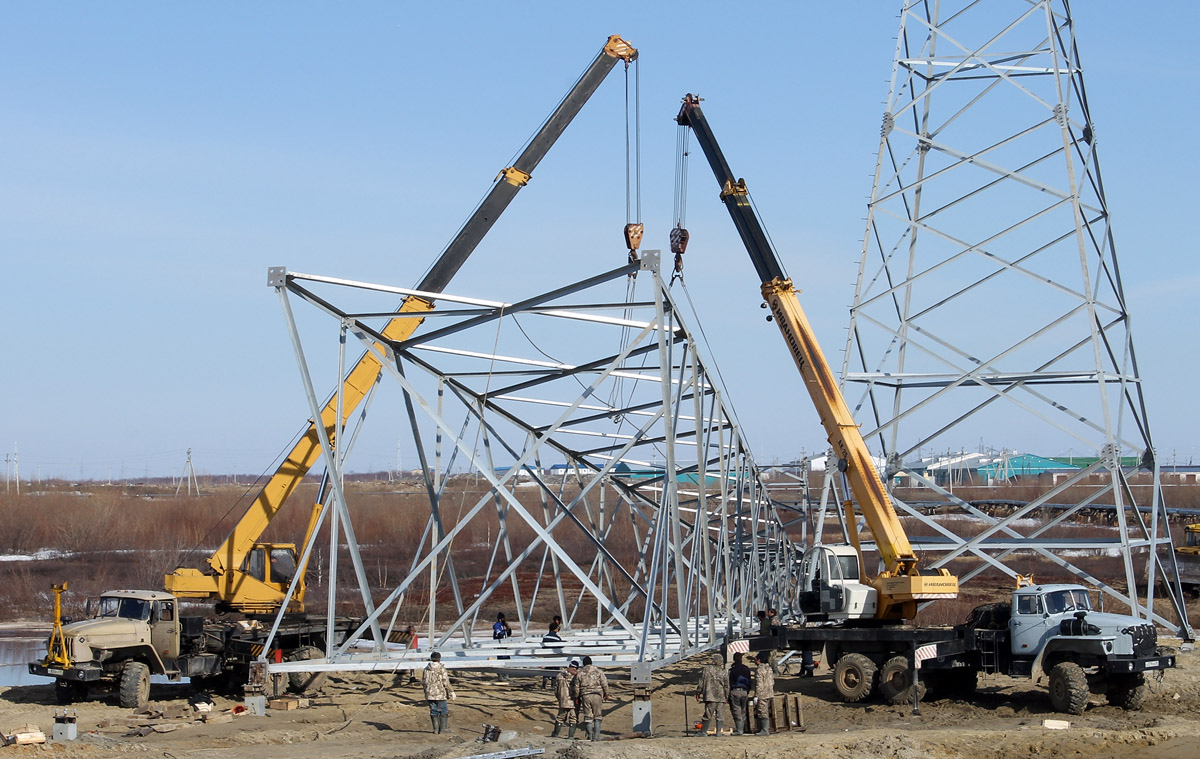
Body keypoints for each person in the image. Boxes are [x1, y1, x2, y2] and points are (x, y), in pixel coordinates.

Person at [570, 655, 609, 741]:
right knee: (597, 716)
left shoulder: (580, 673)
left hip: (585, 696)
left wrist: (577, 697)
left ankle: (589, 736)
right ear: (591, 663)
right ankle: (597, 736)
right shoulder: (598, 671)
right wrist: (606, 693)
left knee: (588, 716)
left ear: (583, 664)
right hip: (597, 695)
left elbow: (577, 687)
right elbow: (604, 683)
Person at [694, 652, 729, 737]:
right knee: (720, 715)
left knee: (708, 714)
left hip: (710, 695)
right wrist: (726, 696)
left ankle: (703, 731)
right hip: (721, 696)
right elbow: (727, 685)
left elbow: (701, 682)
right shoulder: (724, 672)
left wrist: (698, 692)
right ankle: (719, 732)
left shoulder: (707, 669)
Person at [421, 651, 456, 734]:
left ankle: (435, 729)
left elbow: (424, 682)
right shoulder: (441, 669)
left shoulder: (426, 669)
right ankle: (443, 729)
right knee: (443, 710)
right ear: (439, 659)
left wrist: (426, 693)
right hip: (440, 694)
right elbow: (446, 682)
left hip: (429, 693)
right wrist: (451, 691)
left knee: (433, 710)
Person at [552, 658, 581, 738]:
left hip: (563, 700)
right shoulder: (577, 677)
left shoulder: (560, 675)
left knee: (560, 718)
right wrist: (578, 698)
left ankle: (556, 734)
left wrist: (559, 698)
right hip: (573, 701)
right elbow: (577, 689)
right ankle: (570, 737)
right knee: (573, 718)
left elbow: (556, 690)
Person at [727, 651, 753, 735]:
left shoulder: (732, 670)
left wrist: (727, 694)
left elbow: (729, 682)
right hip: (744, 691)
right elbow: (749, 681)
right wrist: (748, 690)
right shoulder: (746, 669)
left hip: (735, 691)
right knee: (743, 711)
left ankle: (739, 730)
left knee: (736, 710)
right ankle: (741, 728)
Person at [752, 651, 774, 736]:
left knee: (762, 711)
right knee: (765, 711)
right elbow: (772, 681)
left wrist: (756, 695)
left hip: (762, 693)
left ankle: (764, 729)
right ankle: (763, 729)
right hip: (769, 692)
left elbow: (759, 683)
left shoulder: (760, 670)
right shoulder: (769, 668)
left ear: (759, 660)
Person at [493, 612, 512, 682]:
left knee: (507, 658)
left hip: (505, 644)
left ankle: (506, 675)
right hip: (499, 644)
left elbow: (509, 634)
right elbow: (499, 635)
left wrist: (508, 630)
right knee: (501, 659)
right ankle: (500, 675)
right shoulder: (497, 625)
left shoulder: (504, 625)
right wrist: (504, 631)